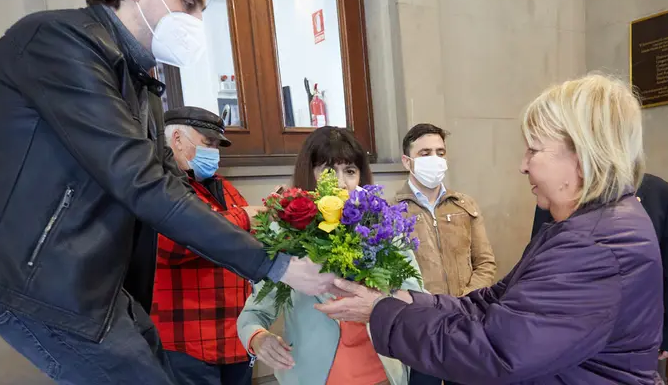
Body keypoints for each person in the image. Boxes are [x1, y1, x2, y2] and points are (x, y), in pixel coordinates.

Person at [0, 0, 332, 383]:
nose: (197, 20)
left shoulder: (140, 84)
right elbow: (142, 183)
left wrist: (275, 244)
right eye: (188, 2)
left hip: (97, 285)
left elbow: (172, 188)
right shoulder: (58, 42)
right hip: (37, 281)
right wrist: (277, 268)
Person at [317, 74, 664, 384]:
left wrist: (381, 312)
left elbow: (496, 349)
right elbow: (496, 302)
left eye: (534, 150)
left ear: (583, 154)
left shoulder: (592, 246)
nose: (522, 165)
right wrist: (411, 300)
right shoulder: (590, 227)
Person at [237, 127, 422, 385]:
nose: (341, 183)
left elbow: (416, 298)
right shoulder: (286, 235)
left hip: (382, 372)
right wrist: (258, 338)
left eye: (350, 171)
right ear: (309, 175)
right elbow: (252, 315)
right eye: (327, 171)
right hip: (313, 376)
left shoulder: (383, 229)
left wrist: (378, 301)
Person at [150, 107, 263, 385]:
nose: (214, 152)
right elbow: (170, 244)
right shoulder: (159, 189)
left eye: (217, 145)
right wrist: (244, 217)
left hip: (234, 337)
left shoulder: (224, 188)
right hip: (187, 342)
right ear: (176, 138)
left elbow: (248, 239)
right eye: (208, 143)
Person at [531, 173, 668, 366]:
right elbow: (537, 261)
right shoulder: (561, 191)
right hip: (566, 325)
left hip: (631, 329)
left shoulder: (662, 193)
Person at [397, 123, 496, 385]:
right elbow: (391, 278)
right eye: (425, 153)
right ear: (408, 161)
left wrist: (466, 303)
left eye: (440, 153)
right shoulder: (390, 212)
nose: (435, 160)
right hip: (422, 329)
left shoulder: (465, 205)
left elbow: (485, 263)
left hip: (466, 323)